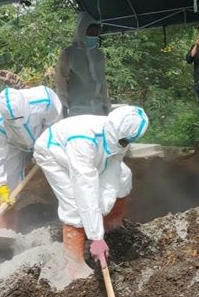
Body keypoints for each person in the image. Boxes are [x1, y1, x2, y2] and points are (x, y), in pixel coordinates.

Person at [33, 105, 149, 278]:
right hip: (54, 153)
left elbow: (113, 170)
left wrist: (103, 210)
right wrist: (95, 236)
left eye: (126, 142)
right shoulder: (83, 139)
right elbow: (84, 186)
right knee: (74, 204)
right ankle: (74, 265)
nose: (125, 145)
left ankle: (111, 227)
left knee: (124, 177)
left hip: (93, 155)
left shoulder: (122, 136)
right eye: (124, 142)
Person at [0, 85, 63, 229]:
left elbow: (56, 128)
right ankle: (7, 233)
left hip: (43, 137)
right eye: (11, 121)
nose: (16, 124)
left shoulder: (45, 100)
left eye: (19, 118)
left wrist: (44, 150)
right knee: (6, 189)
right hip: (12, 146)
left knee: (62, 174)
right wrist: (1, 186)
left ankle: (70, 220)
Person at [55, 12, 111, 116]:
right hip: (77, 111)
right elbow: (61, 84)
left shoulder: (99, 55)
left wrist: (106, 106)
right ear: (81, 31)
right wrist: (63, 109)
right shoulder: (68, 54)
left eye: (96, 33)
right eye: (91, 32)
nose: (94, 36)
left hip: (99, 110)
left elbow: (102, 83)